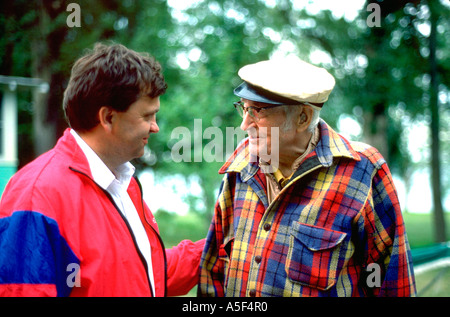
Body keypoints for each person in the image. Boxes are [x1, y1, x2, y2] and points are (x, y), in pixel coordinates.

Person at [198, 57, 416, 297]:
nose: (244, 125)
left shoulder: (362, 170)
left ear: (302, 117)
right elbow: (213, 274)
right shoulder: (242, 163)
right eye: (243, 108)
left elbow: (394, 283)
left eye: (257, 112)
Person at [0, 43, 204, 297]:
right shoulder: (37, 195)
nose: (155, 127)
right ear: (108, 117)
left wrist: (216, 246)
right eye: (147, 116)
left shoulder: (121, 182)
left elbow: (147, 274)